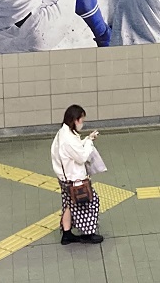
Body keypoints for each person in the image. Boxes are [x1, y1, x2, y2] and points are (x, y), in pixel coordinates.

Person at [50, 105, 104, 245]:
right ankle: (88, 233)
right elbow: (81, 157)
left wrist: (86, 139)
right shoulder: (68, 139)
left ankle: (66, 234)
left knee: (68, 204)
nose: (82, 123)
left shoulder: (63, 133)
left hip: (64, 178)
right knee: (90, 203)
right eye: (81, 120)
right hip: (75, 180)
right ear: (75, 120)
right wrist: (90, 142)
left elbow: (75, 149)